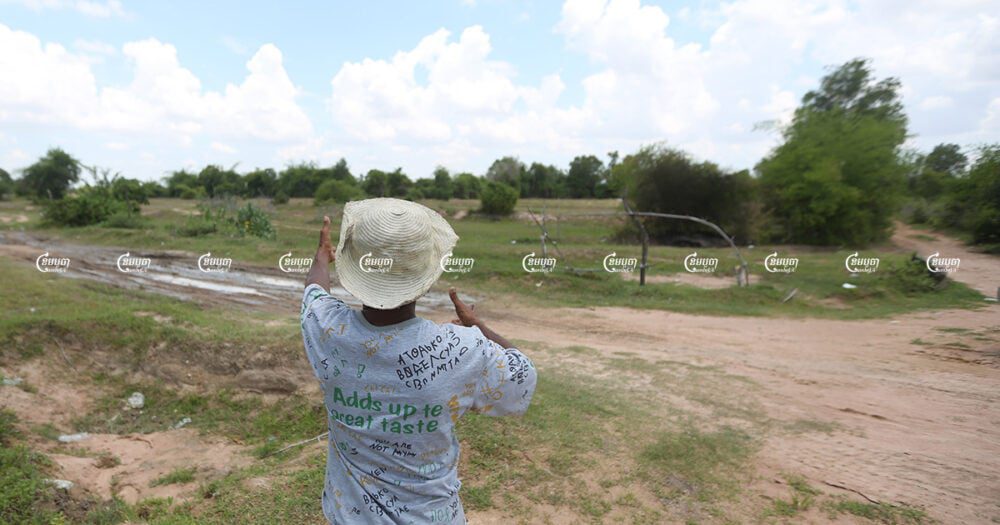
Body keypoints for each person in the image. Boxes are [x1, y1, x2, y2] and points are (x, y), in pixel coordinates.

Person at [300, 198, 537, 524]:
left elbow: (314, 292)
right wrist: (478, 327)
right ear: (424, 278)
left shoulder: (327, 329)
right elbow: (522, 375)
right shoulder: (464, 348)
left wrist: (321, 257)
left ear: (355, 271)